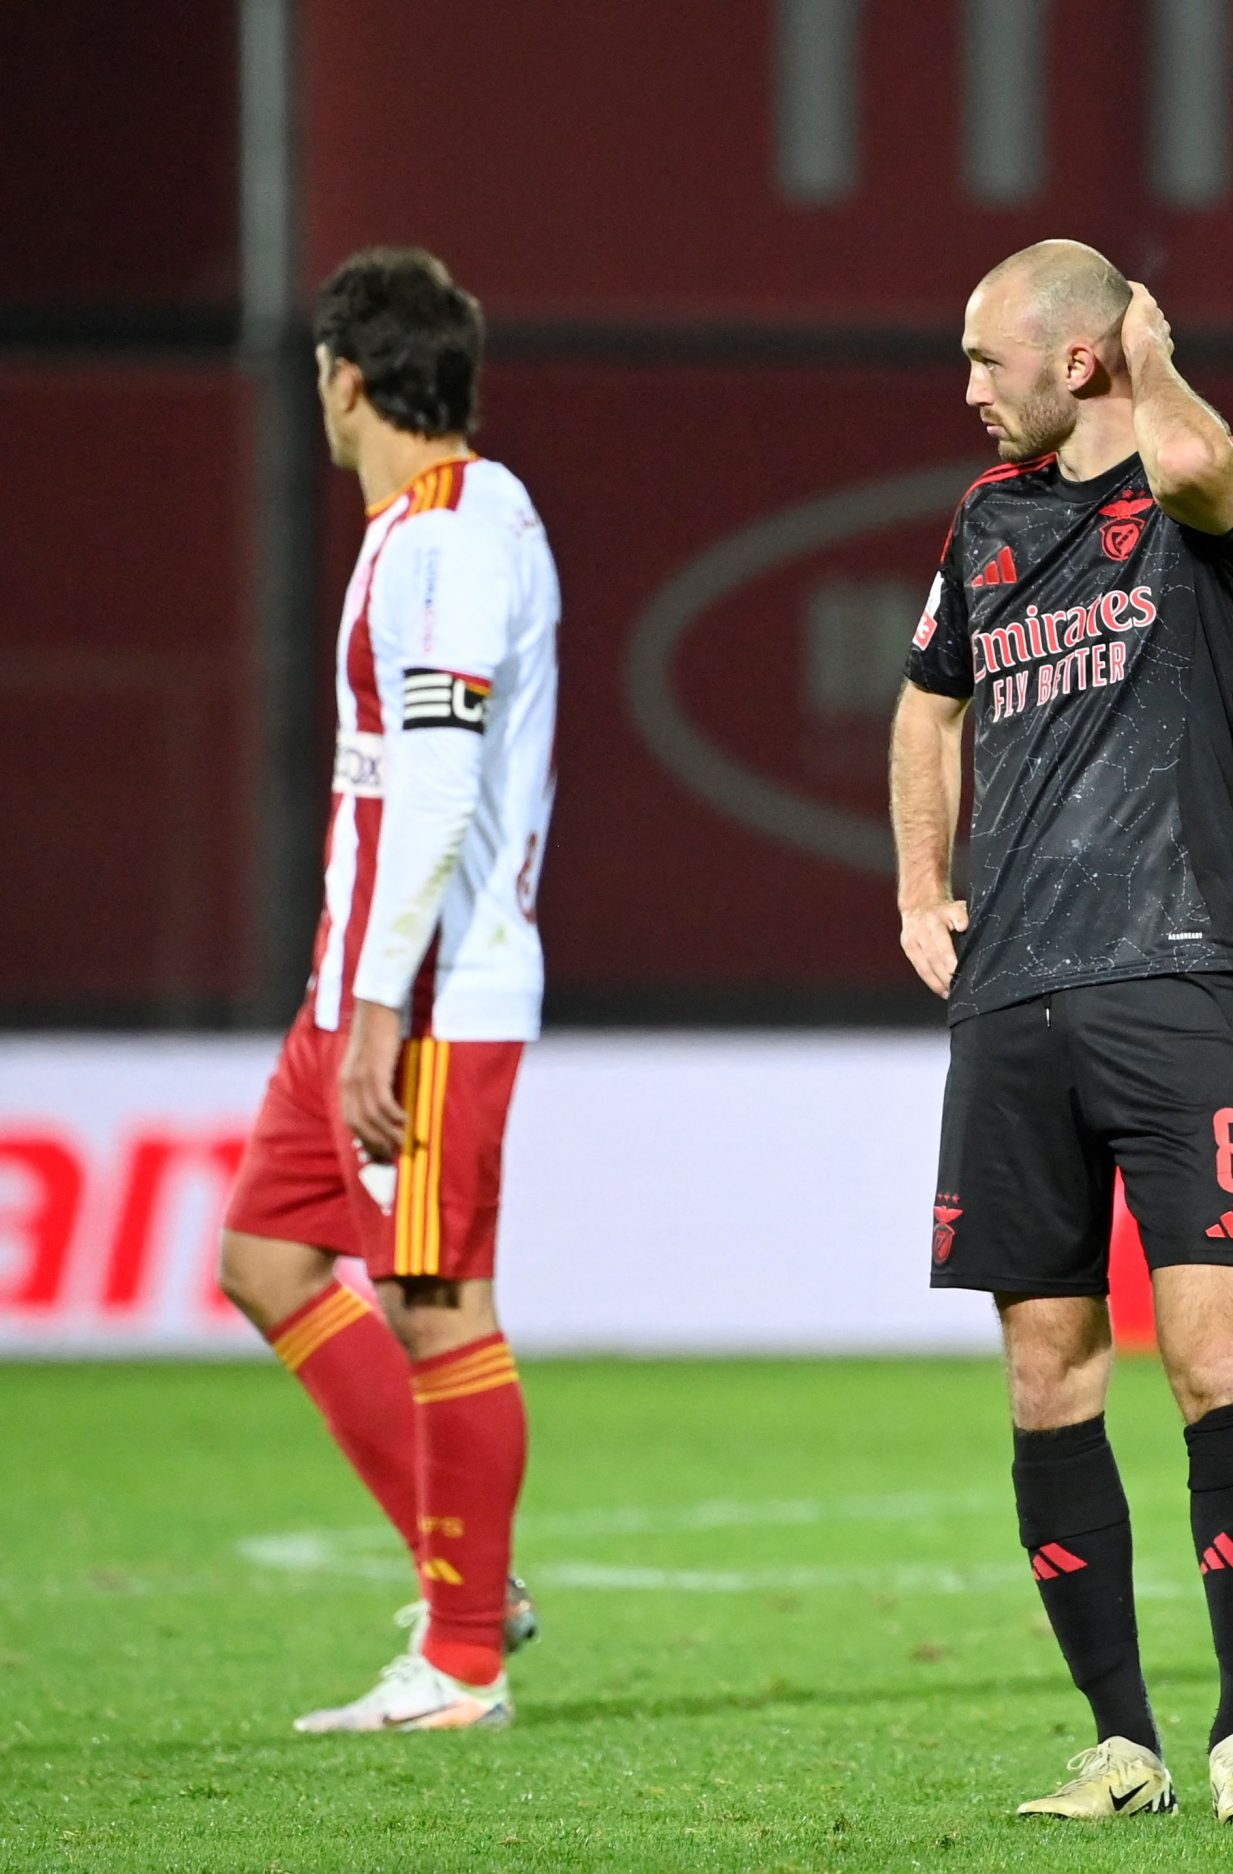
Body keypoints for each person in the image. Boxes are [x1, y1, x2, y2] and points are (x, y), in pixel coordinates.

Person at [889, 240, 1233, 1824]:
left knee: (1216, 1354)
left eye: (991, 358)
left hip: (1170, 978)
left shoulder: (1214, 496)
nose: (969, 387)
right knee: (1046, 1372)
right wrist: (924, 883)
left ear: (1080, 360)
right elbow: (928, 700)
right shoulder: (984, 521)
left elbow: (1191, 453)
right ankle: (1124, 1741)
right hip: (1010, 1005)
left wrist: (1153, 352)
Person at [218, 247, 557, 1734]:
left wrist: (375, 1006)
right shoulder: (422, 529)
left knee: (435, 1304)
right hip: (353, 977)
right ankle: (467, 1567)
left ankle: (466, 1654)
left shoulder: (454, 537)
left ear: (348, 379)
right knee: (266, 1260)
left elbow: (434, 778)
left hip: (423, 993)